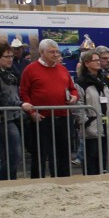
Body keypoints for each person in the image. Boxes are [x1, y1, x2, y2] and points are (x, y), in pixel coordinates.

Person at [18, 38, 78, 178]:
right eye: (52, 52)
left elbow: (72, 89)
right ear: (42, 53)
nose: (56, 54)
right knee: (40, 154)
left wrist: (74, 97)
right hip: (42, 118)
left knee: (63, 153)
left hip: (63, 117)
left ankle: (64, 180)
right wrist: (32, 112)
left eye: (57, 52)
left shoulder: (63, 69)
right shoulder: (30, 70)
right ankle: (37, 182)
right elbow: (24, 93)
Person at [76, 49, 109, 175]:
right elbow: (78, 103)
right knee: (92, 158)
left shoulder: (106, 80)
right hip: (92, 127)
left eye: (99, 60)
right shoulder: (81, 82)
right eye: (95, 60)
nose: (98, 63)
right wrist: (85, 121)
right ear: (87, 63)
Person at [0, 42, 26, 180]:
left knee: (10, 155)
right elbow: (3, 99)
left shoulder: (10, 74)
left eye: (11, 56)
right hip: (4, 119)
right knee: (14, 154)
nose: (10, 59)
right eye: (6, 56)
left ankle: (9, 181)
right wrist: (19, 103)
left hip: (12, 117)